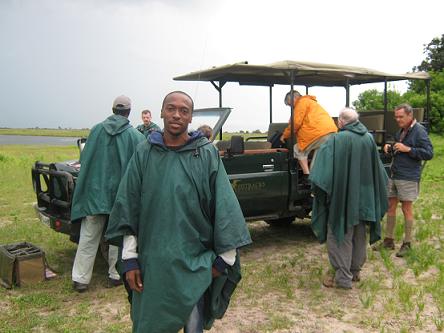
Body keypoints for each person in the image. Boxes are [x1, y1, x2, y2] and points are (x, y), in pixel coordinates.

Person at [106, 91, 252, 333]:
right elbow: (129, 206)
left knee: (193, 326)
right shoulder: (144, 153)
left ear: (190, 117)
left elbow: (224, 207)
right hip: (152, 265)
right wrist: (130, 259)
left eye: (184, 111)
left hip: (194, 265)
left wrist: (225, 259)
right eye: (171, 108)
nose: (176, 115)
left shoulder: (206, 154)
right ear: (162, 112)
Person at [71, 95, 145, 293]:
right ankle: (114, 275)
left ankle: (80, 279)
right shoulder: (136, 137)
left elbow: (84, 160)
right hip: (120, 198)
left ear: (113, 110)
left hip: (95, 195)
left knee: (88, 236)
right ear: (128, 112)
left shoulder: (95, 131)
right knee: (117, 237)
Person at [310, 108, 388, 289]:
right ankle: (355, 272)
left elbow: (321, 175)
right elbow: (379, 172)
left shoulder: (336, 140)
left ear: (341, 122)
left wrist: (320, 191)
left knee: (339, 234)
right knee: (359, 234)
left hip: (342, 198)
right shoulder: (368, 138)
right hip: (364, 198)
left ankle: (343, 278)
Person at [374, 103, 433, 257]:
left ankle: (407, 244)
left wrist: (409, 150)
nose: (398, 119)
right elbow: (396, 147)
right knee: (390, 206)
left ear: (410, 116)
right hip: (394, 174)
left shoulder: (419, 131)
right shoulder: (401, 130)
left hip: (408, 176)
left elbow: (429, 153)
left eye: (401, 117)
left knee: (406, 208)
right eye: (396, 117)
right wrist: (389, 146)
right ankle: (389, 241)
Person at [280, 90, 337, 181]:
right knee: (316, 161)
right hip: (331, 132)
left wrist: (284, 136)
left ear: (294, 98)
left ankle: (307, 176)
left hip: (318, 133)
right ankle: (313, 181)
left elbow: (296, 124)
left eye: (290, 104)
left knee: (298, 149)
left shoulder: (301, 103)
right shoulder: (310, 102)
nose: (291, 107)